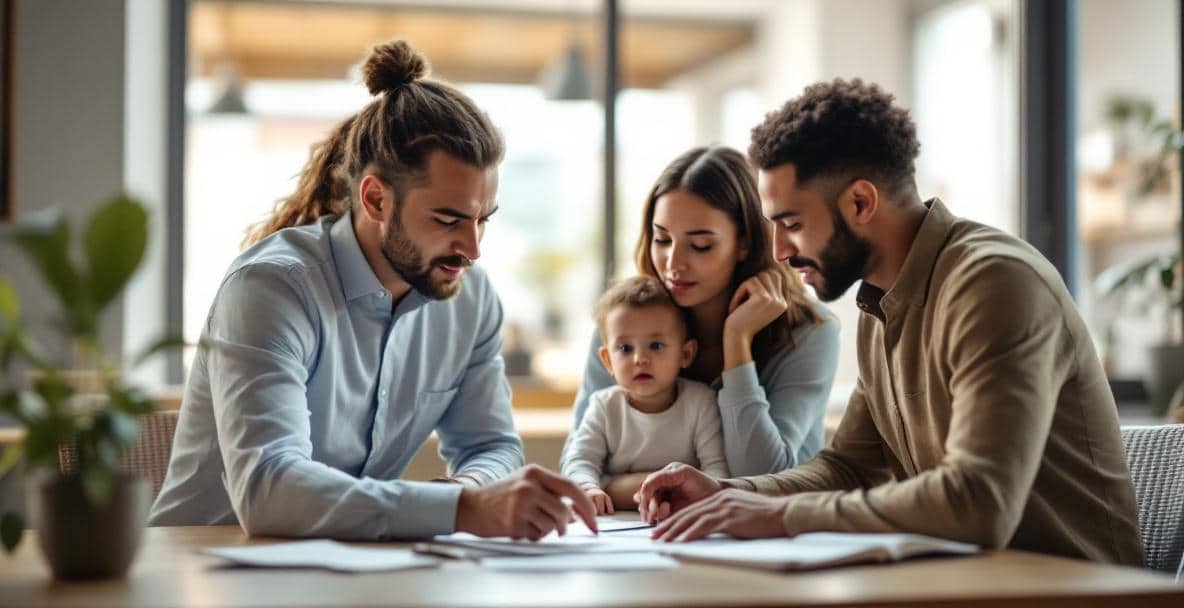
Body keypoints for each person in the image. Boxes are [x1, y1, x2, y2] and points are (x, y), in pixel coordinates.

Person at [634, 79, 1143, 566]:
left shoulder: (993, 282)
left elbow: (977, 502)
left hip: (1076, 591)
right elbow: (848, 468)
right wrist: (729, 492)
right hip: (968, 583)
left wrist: (780, 514)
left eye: (791, 224)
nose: (779, 251)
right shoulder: (882, 304)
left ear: (860, 202)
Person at [150, 40, 595, 541]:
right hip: (201, 570)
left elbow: (491, 446)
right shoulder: (271, 289)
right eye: (448, 219)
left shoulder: (470, 297)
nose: (472, 249)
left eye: (482, 220)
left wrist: (470, 487)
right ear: (376, 198)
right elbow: (268, 488)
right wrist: (460, 508)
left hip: (347, 569)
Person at [569, 146, 840, 509]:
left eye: (699, 245)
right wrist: (667, 487)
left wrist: (737, 342)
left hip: (774, 535)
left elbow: (763, 475)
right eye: (662, 240)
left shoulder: (809, 332)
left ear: (744, 243)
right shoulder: (626, 326)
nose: (673, 264)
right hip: (639, 533)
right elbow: (581, 468)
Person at [562, 276, 729, 514]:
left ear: (686, 354)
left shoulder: (700, 402)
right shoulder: (604, 406)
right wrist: (588, 487)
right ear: (608, 361)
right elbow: (580, 460)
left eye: (656, 346)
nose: (640, 359)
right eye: (625, 349)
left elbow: (717, 471)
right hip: (620, 522)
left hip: (682, 514)